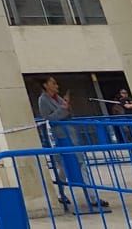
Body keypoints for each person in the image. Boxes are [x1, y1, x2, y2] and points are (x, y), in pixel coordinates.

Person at [37, 76, 108, 211]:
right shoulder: (43, 100)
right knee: (63, 167)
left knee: (81, 164)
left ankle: (92, 197)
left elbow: (68, 114)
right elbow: (48, 119)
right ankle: (61, 193)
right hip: (59, 138)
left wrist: (67, 107)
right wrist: (63, 109)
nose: (56, 86)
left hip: (71, 136)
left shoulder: (58, 98)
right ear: (46, 85)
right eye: (53, 83)